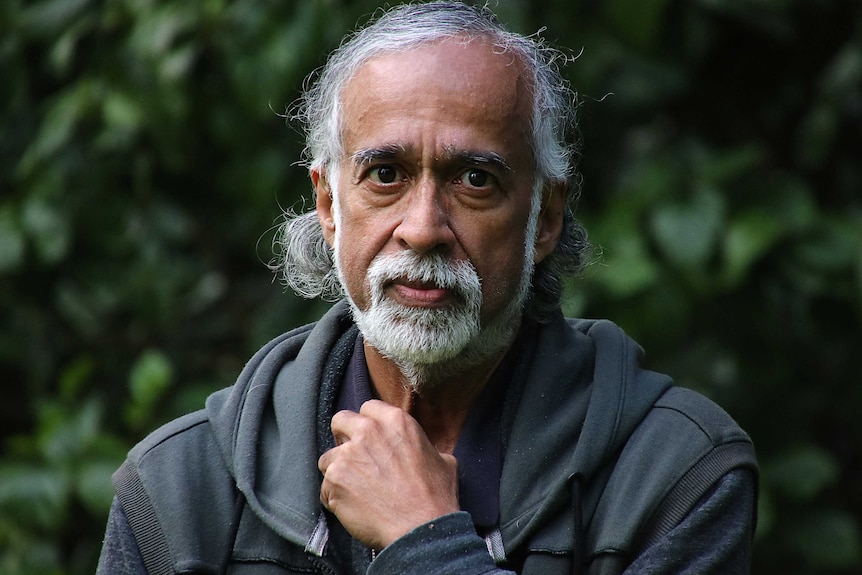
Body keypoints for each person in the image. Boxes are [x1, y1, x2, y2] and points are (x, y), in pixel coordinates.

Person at [97, 2, 757, 574]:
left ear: (545, 217)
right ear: (328, 204)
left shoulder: (674, 474)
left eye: (475, 180)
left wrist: (425, 540)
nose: (422, 228)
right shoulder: (180, 489)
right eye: (385, 173)